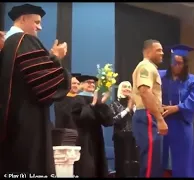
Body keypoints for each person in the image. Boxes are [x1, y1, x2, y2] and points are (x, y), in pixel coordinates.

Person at [0, 4, 70, 175]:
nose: (40, 27)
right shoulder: (24, 41)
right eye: (36, 22)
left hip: (10, 126)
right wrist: (56, 57)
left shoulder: (7, 45)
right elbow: (49, 85)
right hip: (27, 125)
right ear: (23, 18)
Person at [159, 44, 194, 177]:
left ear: (185, 64)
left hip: (182, 124)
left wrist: (176, 108)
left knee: (183, 161)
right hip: (163, 122)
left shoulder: (192, 80)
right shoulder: (161, 76)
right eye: (174, 63)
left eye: (179, 63)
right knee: (162, 159)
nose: (176, 66)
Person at [132, 39, 168, 178]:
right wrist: (159, 119)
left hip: (150, 114)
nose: (162, 53)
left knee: (154, 161)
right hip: (147, 115)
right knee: (150, 161)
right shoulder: (145, 67)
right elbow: (145, 92)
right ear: (147, 51)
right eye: (158, 50)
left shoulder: (150, 68)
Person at [71, 75, 114, 177]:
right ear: (81, 84)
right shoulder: (77, 99)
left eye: (93, 83)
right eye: (88, 82)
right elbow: (80, 119)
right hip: (83, 137)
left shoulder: (97, 100)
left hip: (97, 137)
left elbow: (108, 122)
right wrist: (92, 105)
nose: (91, 84)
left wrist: (102, 104)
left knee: (98, 164)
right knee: (86, 165)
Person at [109, 81, 139, 177]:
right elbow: (114, 120)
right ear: (120, 89)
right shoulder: (114, 103)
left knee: (134, 162)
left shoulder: (136, 104)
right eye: (124, 86)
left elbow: (138, 118)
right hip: (120, 137)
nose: (127, 88)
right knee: (122, 163)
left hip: (134, 137)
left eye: (129, 87)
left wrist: (133, 106)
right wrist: (127, 109)